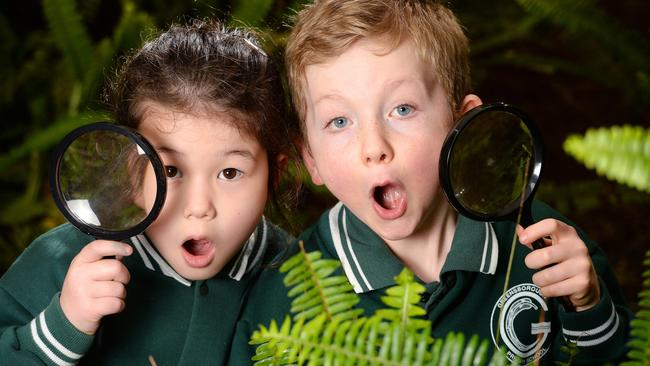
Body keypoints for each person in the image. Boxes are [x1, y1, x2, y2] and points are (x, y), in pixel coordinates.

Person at [229, 1, 632, 365]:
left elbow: (616, 356)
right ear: (310, 159)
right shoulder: (281, 301)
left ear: (463, 125)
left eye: (402, 109)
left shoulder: (546, 248)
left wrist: (588, 305)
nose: (374, 147)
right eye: (339, 122)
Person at [0, 19, 295, 365]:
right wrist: (64, 326)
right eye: (170, 171)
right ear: (135, 172)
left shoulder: (305, 282)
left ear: (274, 176)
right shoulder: (60, 263)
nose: (199, 207)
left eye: (229, 173)